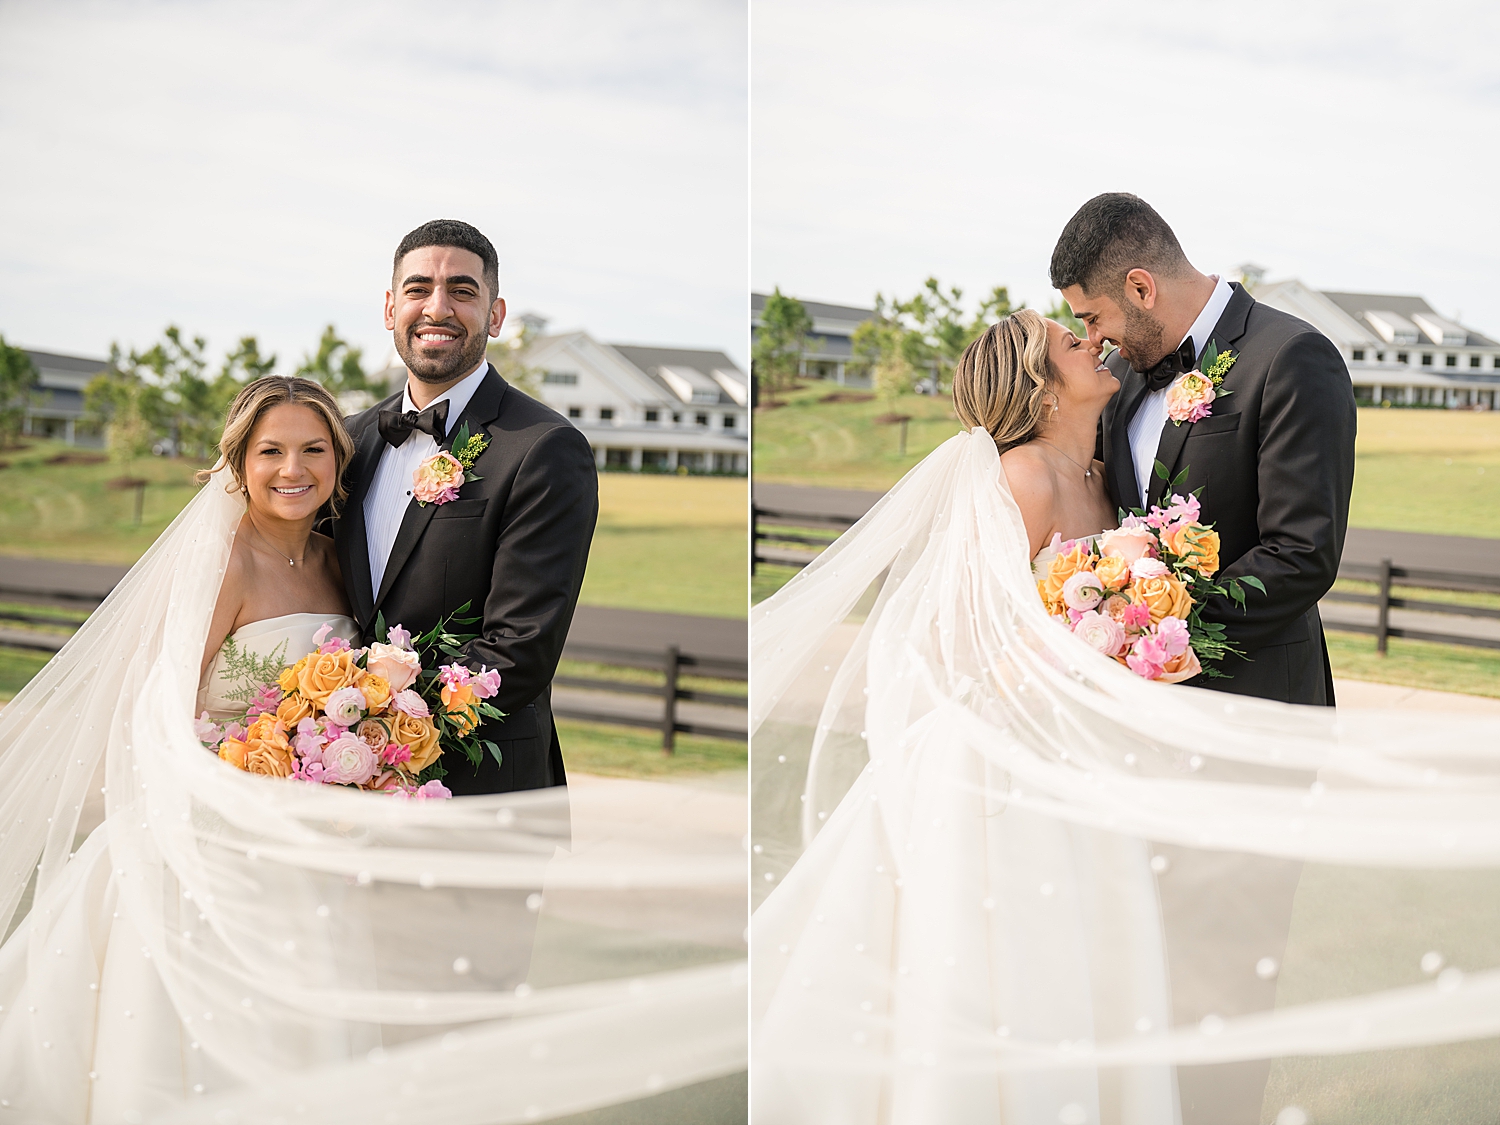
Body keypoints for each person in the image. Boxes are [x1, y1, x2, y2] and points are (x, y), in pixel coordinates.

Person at [749, 306, 1500, 1123]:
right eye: (1071, 340)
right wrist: (1084, 654)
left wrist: (1133, 631)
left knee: (1102, 958)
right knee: (1015, 966)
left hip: (1096, 762)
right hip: (1007, 771)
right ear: (1039, 388)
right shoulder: (1021, 479)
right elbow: (949, 642)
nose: (1092, 342)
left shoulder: (1106, 478)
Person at [0, 376, 742, 1123]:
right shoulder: (220, 564)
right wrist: (241, 782)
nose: (293, 468)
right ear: (239, 462)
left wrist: (353, 754)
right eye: (271, 451)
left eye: (313, 450)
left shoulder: (335, 561)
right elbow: (153, 716)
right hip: (216, 841)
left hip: (315, 850)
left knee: (315, 1039)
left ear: (338, 463)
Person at [1052, 192, 1357, 707]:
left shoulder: (1291, 357)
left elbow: (1302, 554)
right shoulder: (1119, 378)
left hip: (1257, 702)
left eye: (1093, 317)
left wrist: (1145, 631)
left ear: (1141, 288)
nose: (1093, 340)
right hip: (1139, 711)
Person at [334, 219, 599, 796]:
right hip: (338, 789)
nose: (437, 307)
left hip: (481, 793)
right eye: (417, 289)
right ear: (388, 308)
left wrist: (360, 725)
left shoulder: (544, 448)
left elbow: (520, 648)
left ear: (495, 315)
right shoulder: (345, 442)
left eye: (462, 290)